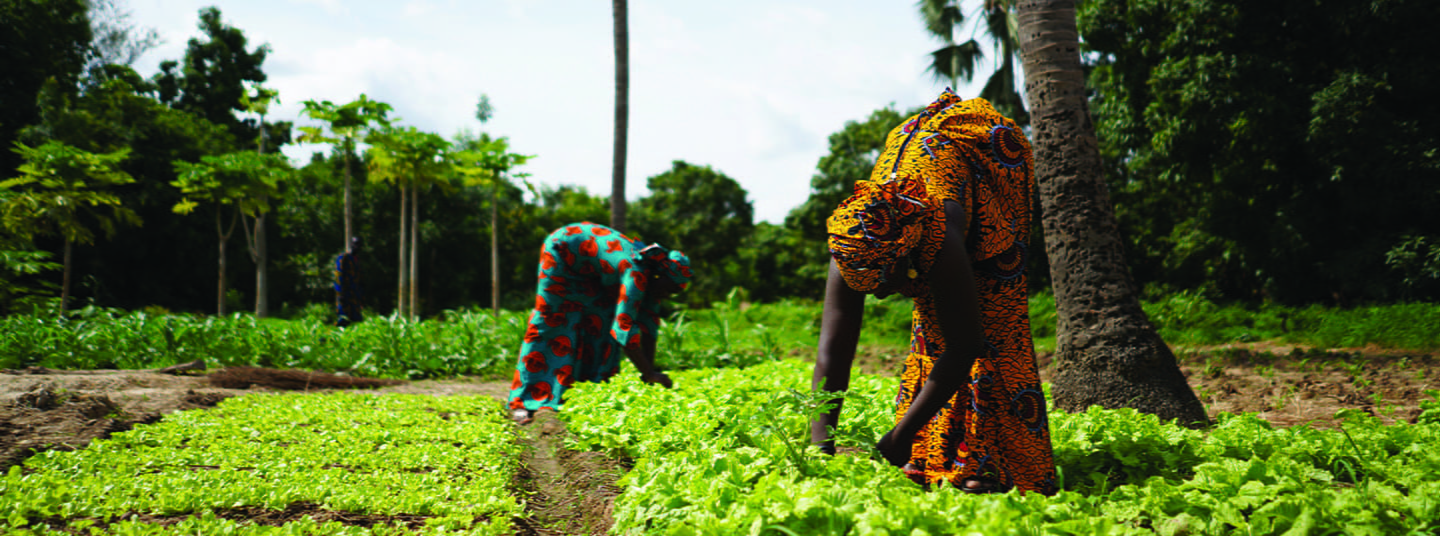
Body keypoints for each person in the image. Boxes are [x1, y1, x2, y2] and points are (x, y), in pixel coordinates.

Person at [809, 90, 1057, 495]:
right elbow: (831, 352)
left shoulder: (940, 233)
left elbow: (965, 346)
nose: (884, 297)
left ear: (901, 254)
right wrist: (820, 446)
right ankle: (935, 450)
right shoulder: (853, 242)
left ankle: (992, 460)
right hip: (920, 153)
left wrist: (898, 437)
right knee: (931, 322)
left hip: (989, 156)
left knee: (994, 321)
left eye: (884, 286)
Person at [507, 221, 691, 424]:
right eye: (668, 290)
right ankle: (523, 401)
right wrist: (648, 373)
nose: (666, 295)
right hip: (563, 251)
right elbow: (623, 332)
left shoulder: (653, 284)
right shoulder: (636, 272)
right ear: (659, 277)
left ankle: (585, 394)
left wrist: (651, 373)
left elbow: (648, 328)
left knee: (599, 323)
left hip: (591, 270)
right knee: (552, 322)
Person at [334, 236, 364, 328]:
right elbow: (339, 276)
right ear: (351, 245)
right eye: (355, 244)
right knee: (343, 319)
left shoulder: (357, 260)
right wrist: (340, 293)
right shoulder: (344, 258)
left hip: (354, 295)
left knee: (356, 319)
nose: (357, 247)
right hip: (345, 293)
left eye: (359, 245)